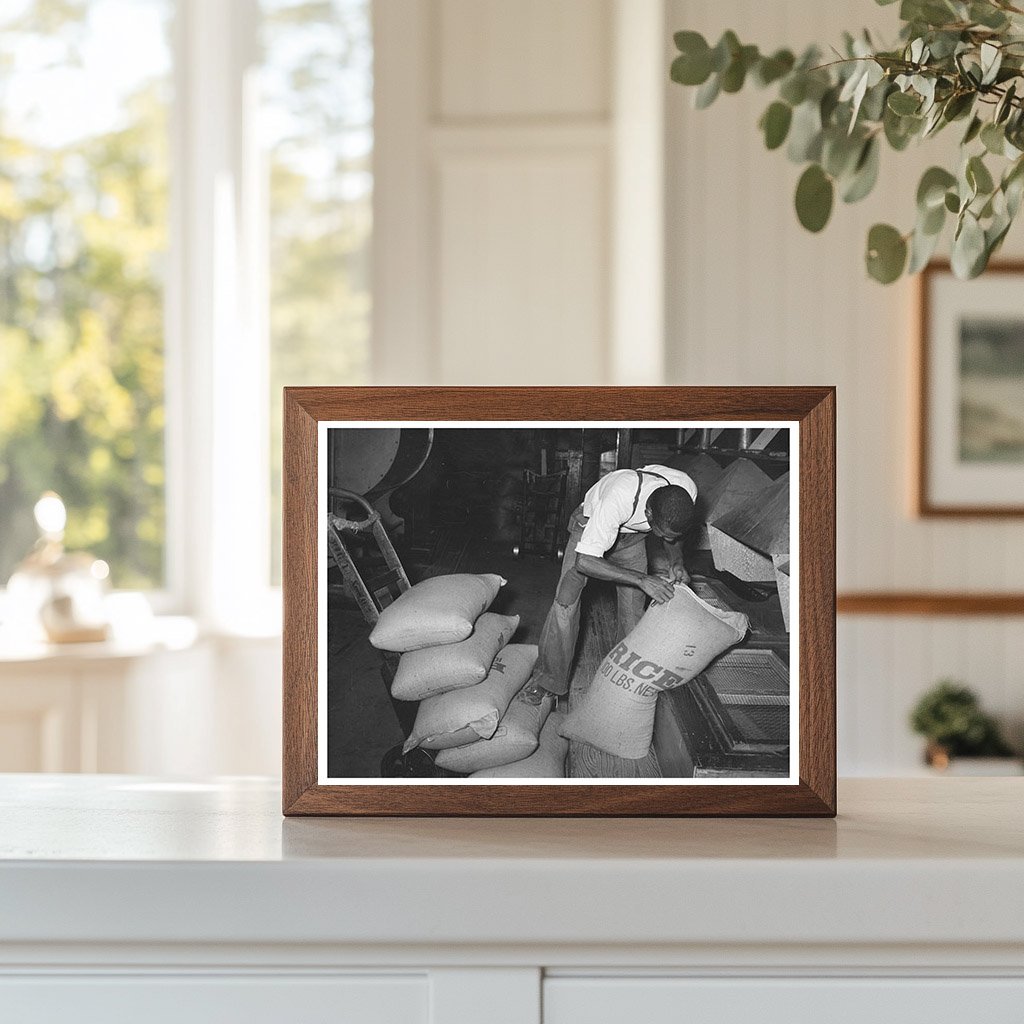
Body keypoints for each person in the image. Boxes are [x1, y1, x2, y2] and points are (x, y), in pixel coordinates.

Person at [522, 464, 698, 703]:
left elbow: (675, 535)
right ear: (648, 515)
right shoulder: (618, 497)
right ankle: (548, 681)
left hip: (632, 539)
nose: (667, 540)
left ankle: (622, 681)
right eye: (663, 534)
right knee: (565, 604)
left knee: (633, 613)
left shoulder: (686, 489)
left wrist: (676, 561)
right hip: (590, 527)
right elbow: (585, 561)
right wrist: (642, 579)